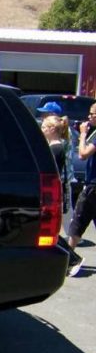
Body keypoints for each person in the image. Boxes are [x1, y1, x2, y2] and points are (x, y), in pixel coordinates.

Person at [40, 108, 84, 274]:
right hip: (55, 192)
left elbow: (53, 172)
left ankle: (72, 259)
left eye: (44, 127)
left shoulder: (56, 148)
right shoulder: (55, 146)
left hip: (53, 194)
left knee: (50, 231)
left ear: (52, 130)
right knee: (51, 231)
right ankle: (70, 259)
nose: (42, 130)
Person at [66, 102, 96, 276]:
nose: (89, 117)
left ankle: (69, 259)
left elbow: (83, 154)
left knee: (78, 221)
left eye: (92, 115)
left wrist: (83, 135)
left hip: (93, 186)